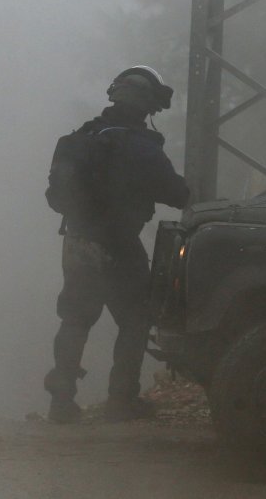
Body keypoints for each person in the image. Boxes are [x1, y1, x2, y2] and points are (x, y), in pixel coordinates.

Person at [43, 65, 189, 424]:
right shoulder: (144, 149)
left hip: (78, 242)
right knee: (136, 318)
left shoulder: (78, 140)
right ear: (150, 107)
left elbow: (54, 196)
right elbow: (179, 195)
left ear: (114, 95)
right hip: (121, 245)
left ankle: (61, 403)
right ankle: (121, 401)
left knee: (75, 319)